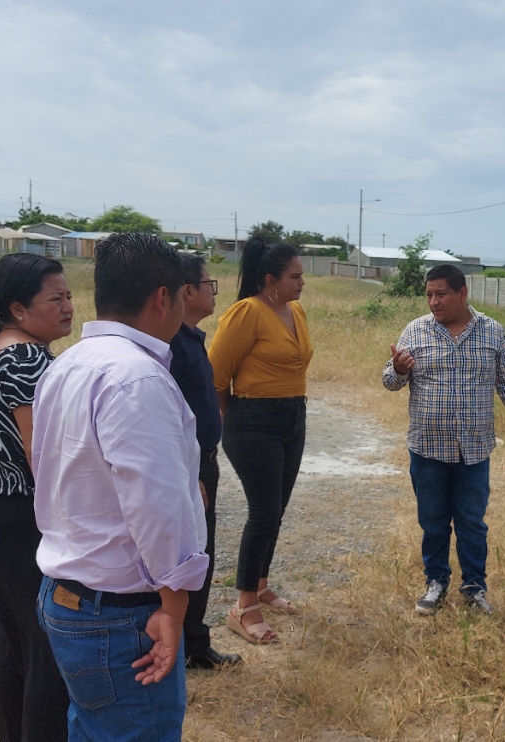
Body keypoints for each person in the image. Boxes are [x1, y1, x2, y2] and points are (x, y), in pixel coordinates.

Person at [31, 233, 209, 741]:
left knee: (92, 728)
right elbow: (157, 508)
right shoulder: (137, 379)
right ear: (162, 298)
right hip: (119, 613)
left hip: (69, 595)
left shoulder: (67, 364)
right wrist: (174, 607)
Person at [382, 264, 505, 615]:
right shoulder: (416, 330)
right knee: (433, 521)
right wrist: (398, 369)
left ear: (462, 293)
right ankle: (436, 582)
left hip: (474, 448)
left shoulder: (492, 332)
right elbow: (390, 382)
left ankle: (474, 588)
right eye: (429, 295)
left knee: (471, 522)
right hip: (427, 448)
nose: (433, 302)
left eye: (441, 294)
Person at [0, 253, 73, 742]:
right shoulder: (26, 360)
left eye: (69, 296)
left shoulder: (1, 351)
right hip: (24, 514)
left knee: (14, 641)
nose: (68, 306)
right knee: (46, 645)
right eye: (55, 298)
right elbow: (40, 456)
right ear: (19, 309)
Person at [208, 237, 311, 644]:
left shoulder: (295, 310)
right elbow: (216, 376)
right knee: (263, 512)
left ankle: (261, 583)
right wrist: (230, 416)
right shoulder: (246, 312)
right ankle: (244, 606)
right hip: (253, 421)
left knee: (276, 509)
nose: (302, 282)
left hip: (293, 416)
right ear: (270, 279)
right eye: (294, 276)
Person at [168, 253, 242, 670]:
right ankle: (179, 646)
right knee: (187, 554)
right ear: (187, 291)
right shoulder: (172, 346)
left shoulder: (191, 338)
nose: (214, 292)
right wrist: (187, 472)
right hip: (189, 468)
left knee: (203, 552)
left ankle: (196, 643)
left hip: (203, 463)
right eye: (208, 284)